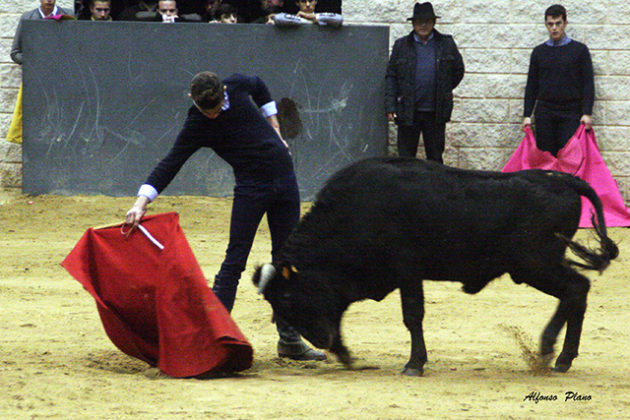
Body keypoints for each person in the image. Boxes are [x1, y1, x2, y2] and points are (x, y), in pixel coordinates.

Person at [124, 72, 327, 361]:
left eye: (218, 106)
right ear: (192, 100)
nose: (214, 114)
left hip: (286, 182)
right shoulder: (197, 123)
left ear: (224, 91)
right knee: (235, 261)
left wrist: (275, 126)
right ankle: (212, 339)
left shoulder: (238, 85)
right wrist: (141, 203)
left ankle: (289, 341)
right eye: (208, 110)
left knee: (287, 261)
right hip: (251, 189)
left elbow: (259, 84)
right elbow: (171, 161)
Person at [384, 2, 464, 163]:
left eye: (427, 20)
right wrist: (391, 106)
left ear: (434, 22)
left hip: (436, 112)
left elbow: (458, 70)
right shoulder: (401, 45)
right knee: (406, 160)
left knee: (435, 159)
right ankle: (407, 188)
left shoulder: (446, 43)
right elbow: (391, 76)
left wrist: (443, 89)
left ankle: (436, 189)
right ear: (413, 23)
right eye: (419, 21)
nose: (423, 24)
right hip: (408, 111)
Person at [522, 4, 594, 156]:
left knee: (569, 158)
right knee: (545, 159)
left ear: (565, 23)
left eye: (558, 23)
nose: (554, 28)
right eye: (550, 24)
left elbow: (588, 83)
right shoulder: (539, 52)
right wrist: (527, 115)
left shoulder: (579, 51)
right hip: (545, 112)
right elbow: (531, 85)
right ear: (546, 25)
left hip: (571, 112)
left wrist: (587, 112)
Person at [7, 0, 73, 144]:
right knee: (36, 122)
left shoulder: (69, 15)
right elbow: (15, 53)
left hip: (63, 81)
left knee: (62, 120)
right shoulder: (28, 18)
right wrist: (35, 60)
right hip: (37, 82)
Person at [272, 0, 342, 27]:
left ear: (316, 2)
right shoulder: (293, 19)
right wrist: (300, 20)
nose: (308, 4)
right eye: (303, 1)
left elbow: (339, 19)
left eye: (311, 1)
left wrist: (314, 17)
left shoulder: (322, 18)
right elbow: (278, 18)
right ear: (297, 3)